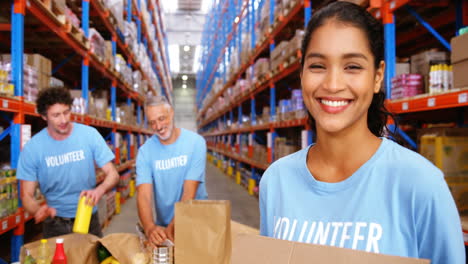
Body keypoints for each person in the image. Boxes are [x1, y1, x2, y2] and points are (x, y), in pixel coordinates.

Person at [259, 2, 465, 263]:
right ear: (301, 74)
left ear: (378, 76)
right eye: (317, 66)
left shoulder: (420, 184)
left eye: (353, 67)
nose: (333, 84)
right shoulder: (277, 181)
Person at [17, 87, 119, 238]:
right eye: (56, 115)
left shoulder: (89, 135)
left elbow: (113, 174)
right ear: (44, 117)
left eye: (66, 112)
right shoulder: (33, 148)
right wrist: (37, 210)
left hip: (88, 217)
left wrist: (100, 190)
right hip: (54, 223)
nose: (64, 120)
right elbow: (26, 196)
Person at [136, 95, 208, 247]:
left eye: (162, 119)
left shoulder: (196, 143)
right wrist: (150, 228)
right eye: (152, 122)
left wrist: (172, 228)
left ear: (172, 113)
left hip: (197, 222)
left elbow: (189, 192)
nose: (158, 126)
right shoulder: (145, 152)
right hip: (165, 224)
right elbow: (144, 195)